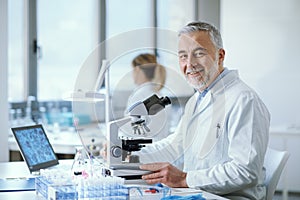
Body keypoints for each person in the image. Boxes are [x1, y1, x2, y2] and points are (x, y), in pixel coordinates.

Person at [137, 21, 270, 200]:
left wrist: (185, 179)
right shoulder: (196, 100)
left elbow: (246, 171)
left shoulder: (244, 100)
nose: (189, 64)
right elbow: (174, 146)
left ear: (220, 56)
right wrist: (129, 154)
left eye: (199, 54)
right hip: (199, 194)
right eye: (183, 56)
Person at [120, 53, 172, 142]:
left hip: (145, 149)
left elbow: (129, 129)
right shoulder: (158, 94)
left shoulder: (138, 95)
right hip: (161, 147)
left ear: (137, 70)